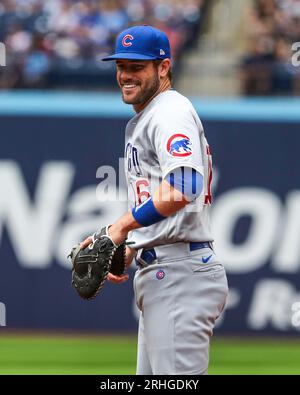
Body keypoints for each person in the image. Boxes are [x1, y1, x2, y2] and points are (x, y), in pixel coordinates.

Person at [81, 25, 228, 375]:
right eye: (121, 66)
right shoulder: (151, 116)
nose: (126, 75)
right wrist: (134, 244)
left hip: (180, 274)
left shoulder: (169, 111)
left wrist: (119, 228)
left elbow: (184, 185)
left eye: (137, 67)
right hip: (166, 270)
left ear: (163, 67)